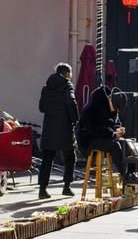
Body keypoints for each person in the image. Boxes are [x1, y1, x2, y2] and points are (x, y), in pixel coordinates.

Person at [38, 63, 79, 199]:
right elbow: (71, 103)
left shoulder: (46, 87)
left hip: (49, 127)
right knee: (70, 157)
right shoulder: (67, 86)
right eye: (71, 73)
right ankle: (67, 186)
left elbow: (42, 107)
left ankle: (42, 189)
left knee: (47, 159)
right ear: (67, 73)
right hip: (65, 128)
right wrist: (75, 119)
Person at [76, 86, 128, 176]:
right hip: (88, 140)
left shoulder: (111, 107)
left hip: (101, 136)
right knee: (115, 146)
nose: (114, 111)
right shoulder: (94, 107)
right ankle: (125, 175)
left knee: (126, 142)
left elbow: (110, 124)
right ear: (110, 100)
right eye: (114, 108)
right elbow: (94, 128)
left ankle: (129, 172)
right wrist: (112, 134)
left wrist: (117, 129)